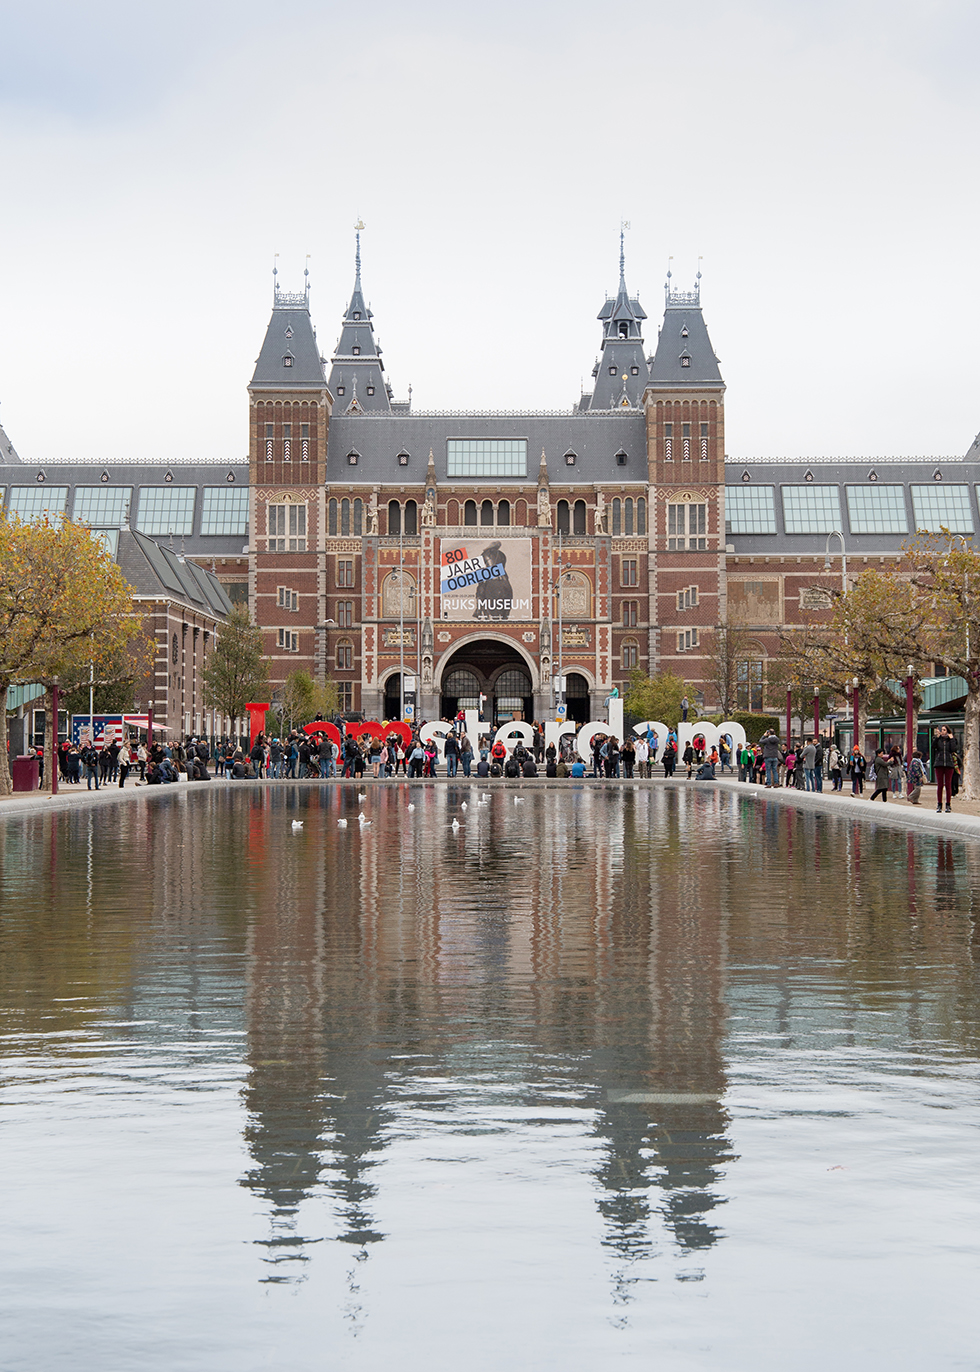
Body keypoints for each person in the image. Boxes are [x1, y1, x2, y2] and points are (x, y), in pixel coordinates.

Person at [933, 725, 956, 813]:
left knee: (948, 785)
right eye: (941, 730)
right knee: (940, 785)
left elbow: (953, 749)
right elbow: (933, 747)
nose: (942, 731)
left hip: (949, 764)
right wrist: (937, 738)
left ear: (947, 731)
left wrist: (952, 739)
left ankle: (948, 805)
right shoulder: (938, 739)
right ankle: (939, 804)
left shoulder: (951, 740)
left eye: (944, 730)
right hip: (939, 763)